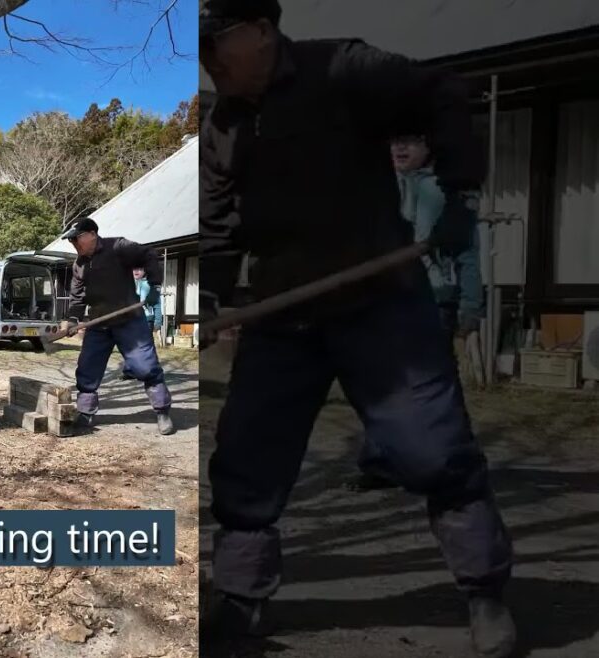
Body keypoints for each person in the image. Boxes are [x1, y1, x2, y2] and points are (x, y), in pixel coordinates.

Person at [199, 1, 516, 656]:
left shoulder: (341, 69)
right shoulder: (223, 126)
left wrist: (459, 193)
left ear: (261, 29)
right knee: (247, 458)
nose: (206, 59)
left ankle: (485, 589)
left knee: (432, 449)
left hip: (380, 302)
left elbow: (441, 92)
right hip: (283, 312)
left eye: (214, 41)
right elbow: (219, 224)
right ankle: (240, 597)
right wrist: (208, 294)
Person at [350, 134, 487, 493]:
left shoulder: (444, 192)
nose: (400, 149)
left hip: (434, 298)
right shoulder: (374, 190)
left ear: (428, 148)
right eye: (394, 141)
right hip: (382, 299)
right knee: (380, 384)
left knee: (436, 384)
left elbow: (468, 253)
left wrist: (471, 305)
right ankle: (380, 464)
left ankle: (456, 459)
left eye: (410, 142)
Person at [59, 217, 176, 436]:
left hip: (129, 321)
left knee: (145, 367)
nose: (74, 244)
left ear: (92, 234)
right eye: (71, 241)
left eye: (76, 238)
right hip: (99, 324)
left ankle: (162, 410)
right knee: (87, 369)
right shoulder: (79, 265)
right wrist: (73, 319)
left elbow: (148, 254)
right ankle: (85, 413)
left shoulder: (118, 247)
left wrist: (155, 285)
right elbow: (77, 298)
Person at [122, 268, 164, 379]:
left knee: (146, 345)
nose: (136, 271)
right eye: (134, 268)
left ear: (145, 271)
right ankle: (129, 371)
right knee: (129, 345)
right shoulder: (127, 285)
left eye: (140, 269)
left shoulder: (150, 285)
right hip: (131, 319)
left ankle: (152, 369)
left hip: (146, 319)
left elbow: (157, 304)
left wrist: (158, 321)